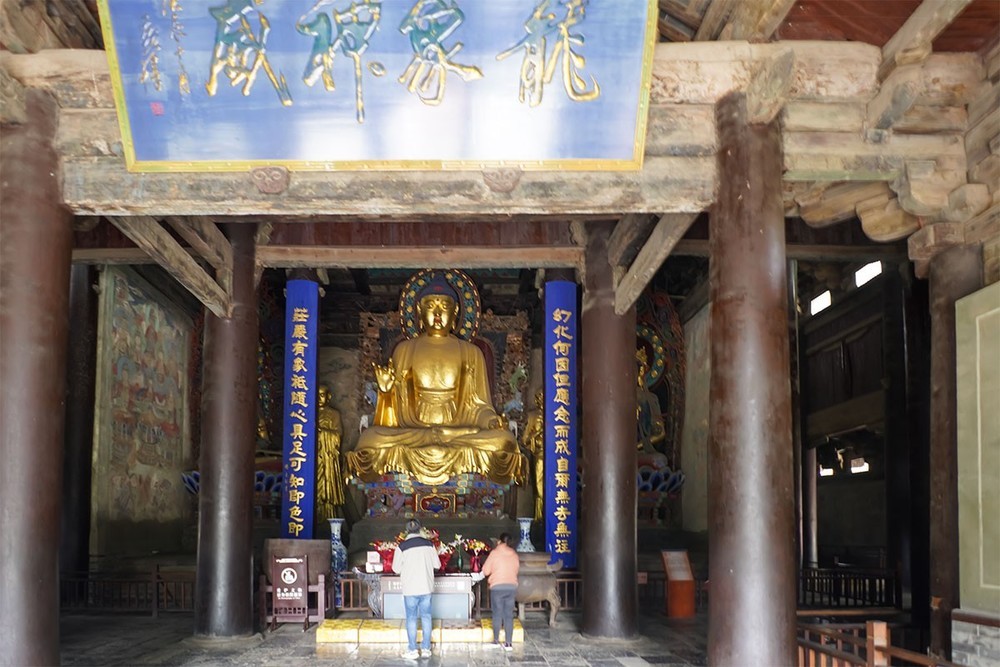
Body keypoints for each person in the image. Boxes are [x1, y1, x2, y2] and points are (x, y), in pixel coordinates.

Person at [345, 274, 525, 485]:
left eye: (445, 306)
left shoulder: (471, 352)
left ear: (455, 312)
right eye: (430, 305)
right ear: (419, 311)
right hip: (415, 433)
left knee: (504, 441)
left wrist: (491, 421)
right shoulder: (404, 350)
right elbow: (392, 421)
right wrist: (385, 393)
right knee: (370, 439)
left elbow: (479, 406)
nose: (438, 313)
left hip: (458, 432)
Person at [392, 519, 440, 659]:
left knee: (411, 619)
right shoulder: (429, 545)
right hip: (426, 588)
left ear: (407, 531)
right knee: (426, 617)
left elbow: (395, 569)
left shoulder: (402, 547)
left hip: (410, 589)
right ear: (420, 529)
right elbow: (437, 565)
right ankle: (426, 649)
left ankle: (412, 650)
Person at [481, 532, 519, 650]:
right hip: (511, 587)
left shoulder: (495, 553)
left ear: (499, 541)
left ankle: (496, 641)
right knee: (509, 615)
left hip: (497, 587)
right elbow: (516, 569)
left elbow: (486, 571)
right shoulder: (514, 554)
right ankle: (508, 644)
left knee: (497, 614)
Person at [315, 383, 345, 521]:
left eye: (322, 395)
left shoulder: (333, 414)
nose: (319, 398)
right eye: (317, 395)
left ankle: (329, 519)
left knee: (327, 489)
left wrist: (321, 432)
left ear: (329, 397)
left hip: (327, 457)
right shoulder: (309, 414)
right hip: (314, 458)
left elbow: (338, 435)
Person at [520, 390, 544, 520]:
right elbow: (525, 440)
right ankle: (539, 515)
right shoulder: (533, 416)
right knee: (539, 484)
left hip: (558, 454)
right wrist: (537, 433)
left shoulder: (557, 414)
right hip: (540, 454)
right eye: (540, 397)